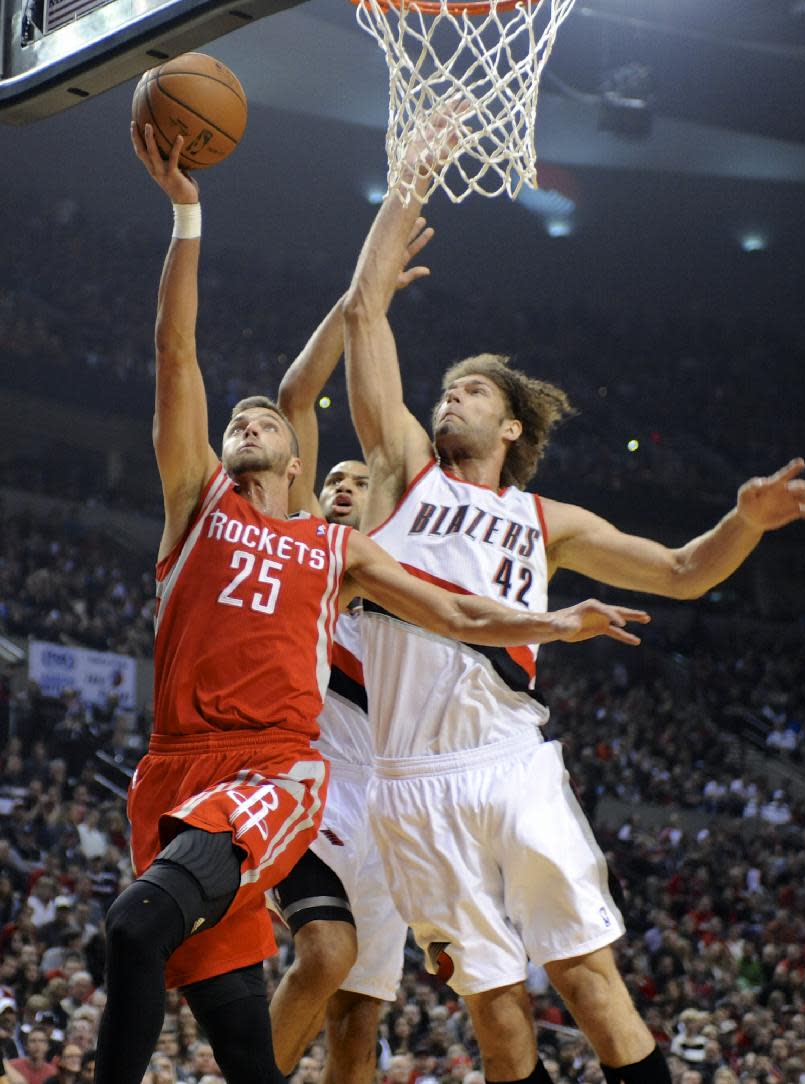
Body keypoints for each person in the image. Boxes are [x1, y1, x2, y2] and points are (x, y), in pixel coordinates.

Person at [96, 121, 650, 1084]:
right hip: (190, 768)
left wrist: (554, 620)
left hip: (307, 778)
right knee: (248, 1007)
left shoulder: (337, 547)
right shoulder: (200, 505)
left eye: (270, 422)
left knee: (324, 965)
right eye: (243, 420)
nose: (251, 420)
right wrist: (195, 219)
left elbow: (465, 614)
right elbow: (185, 358)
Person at [340, 133, 805, 1084]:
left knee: (587, 978)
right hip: (407, 778)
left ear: (511, 424)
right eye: (445, 388)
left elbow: (684, 573)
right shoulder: (398, 470)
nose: (450, 397)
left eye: (471, 390)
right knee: (493, 1012)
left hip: (509, 758)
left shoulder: (545, 519)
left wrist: (744, 521)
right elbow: (362, 311)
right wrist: (410, 179)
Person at [267, 222, 433, 1083]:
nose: (336, 486)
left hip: (394, 808)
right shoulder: (301, 551)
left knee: (360, 1019)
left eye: (355, 483)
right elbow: (298, 397)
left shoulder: (411, 576)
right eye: (329, 480)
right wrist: (358, 298)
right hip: (317, 785)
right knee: (322, 958)